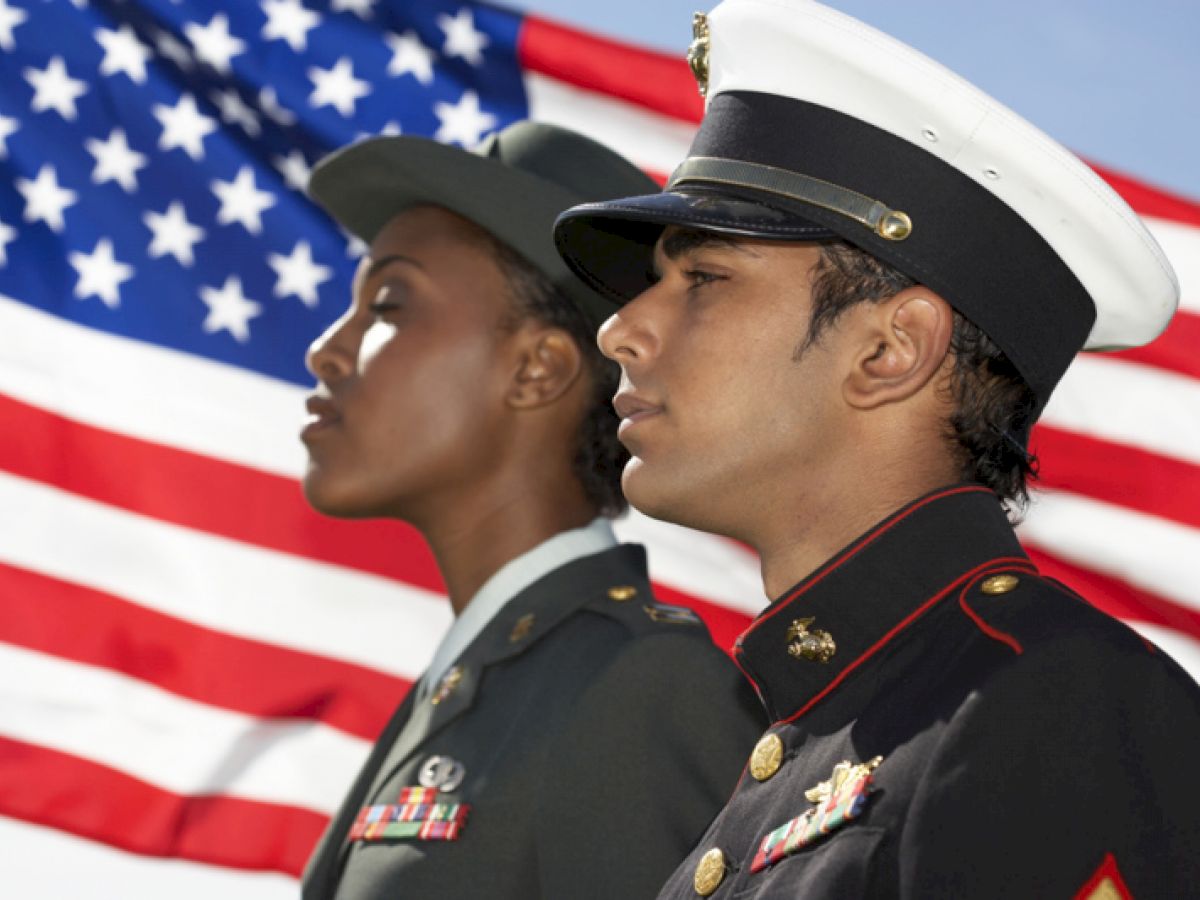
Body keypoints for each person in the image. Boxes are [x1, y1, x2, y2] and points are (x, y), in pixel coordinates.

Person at [552, 2, 1200, 897]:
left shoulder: (1050, 706)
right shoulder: (819, 743)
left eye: (704, 277)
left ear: (892, 350)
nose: (620, 329)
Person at [297, 121, 763, 900]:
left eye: (386, 305)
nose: (327, 350)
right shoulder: (480, 682)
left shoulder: (638, 688)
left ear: (537, 368)